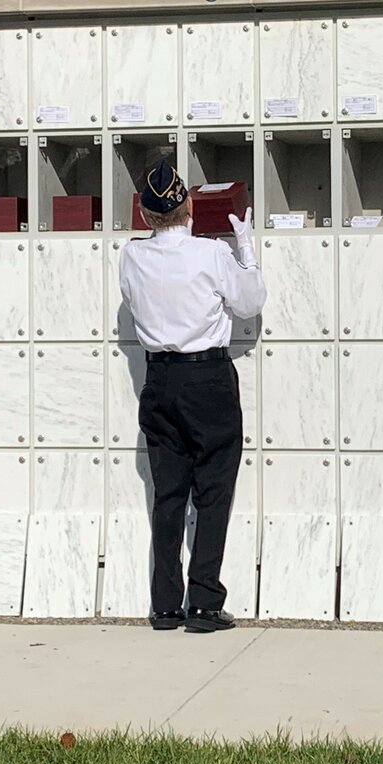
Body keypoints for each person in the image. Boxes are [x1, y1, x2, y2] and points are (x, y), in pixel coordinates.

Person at [118, 161, 266, 634]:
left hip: (158, 380)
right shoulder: (209, 253)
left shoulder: (131, 256)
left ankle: (164, 605)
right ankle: (203, 603)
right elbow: (249, 303)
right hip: (208, 380)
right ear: (190, 206)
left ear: (144, 214)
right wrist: (245, 249)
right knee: (213, 491)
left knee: (168, 494)